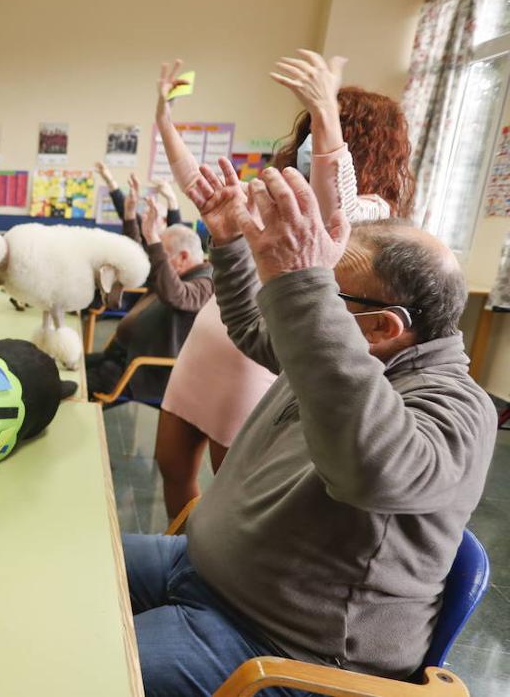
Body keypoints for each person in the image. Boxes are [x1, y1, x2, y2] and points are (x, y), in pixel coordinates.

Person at [127, 161, 495, 696]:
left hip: (272, 640)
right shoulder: (344, 345)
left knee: (76, 660)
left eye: (327, 293)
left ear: (383, 327)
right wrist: (230, 242)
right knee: (65, 567)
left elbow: (372, 470)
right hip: (201, 569)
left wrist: (304, 287)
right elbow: (259, 328)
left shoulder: (458, 407)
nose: (310, 308)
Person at [152, 52, 416, 518]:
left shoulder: (371, 213)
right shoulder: (281, 190)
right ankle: (175, 547)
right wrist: (163, 119)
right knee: (172, 465)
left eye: (320, 127)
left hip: (250, 356)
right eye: (310, 128)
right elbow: (200, 186)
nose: (308, 137)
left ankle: (202, 567)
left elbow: (338, 205)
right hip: (208, 342)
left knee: (227, 493)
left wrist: (325, 112)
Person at [85, 196, 212, 401]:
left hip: (141, 371)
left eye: (163, 255)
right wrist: (131, 218)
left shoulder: (207, 284)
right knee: (66, 365)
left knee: (68, 383)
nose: (156, 262)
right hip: (121, 358)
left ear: (183, 257)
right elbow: (136, 262)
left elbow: (178, 296)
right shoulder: (172, 275)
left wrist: (154, 239)